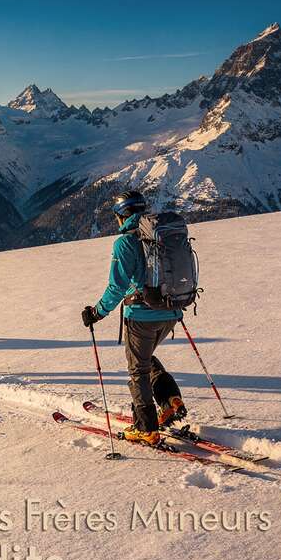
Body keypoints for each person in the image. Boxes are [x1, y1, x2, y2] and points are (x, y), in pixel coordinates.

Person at [81, 190, 187, 446]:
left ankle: (146, 428)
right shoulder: (159, 235)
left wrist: (97, 312)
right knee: (145, 359)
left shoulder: (126, 243)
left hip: (141, 316)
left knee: (138, 370)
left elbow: (116, 287)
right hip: (170, 310)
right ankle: (170, 400)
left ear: (121, 215)